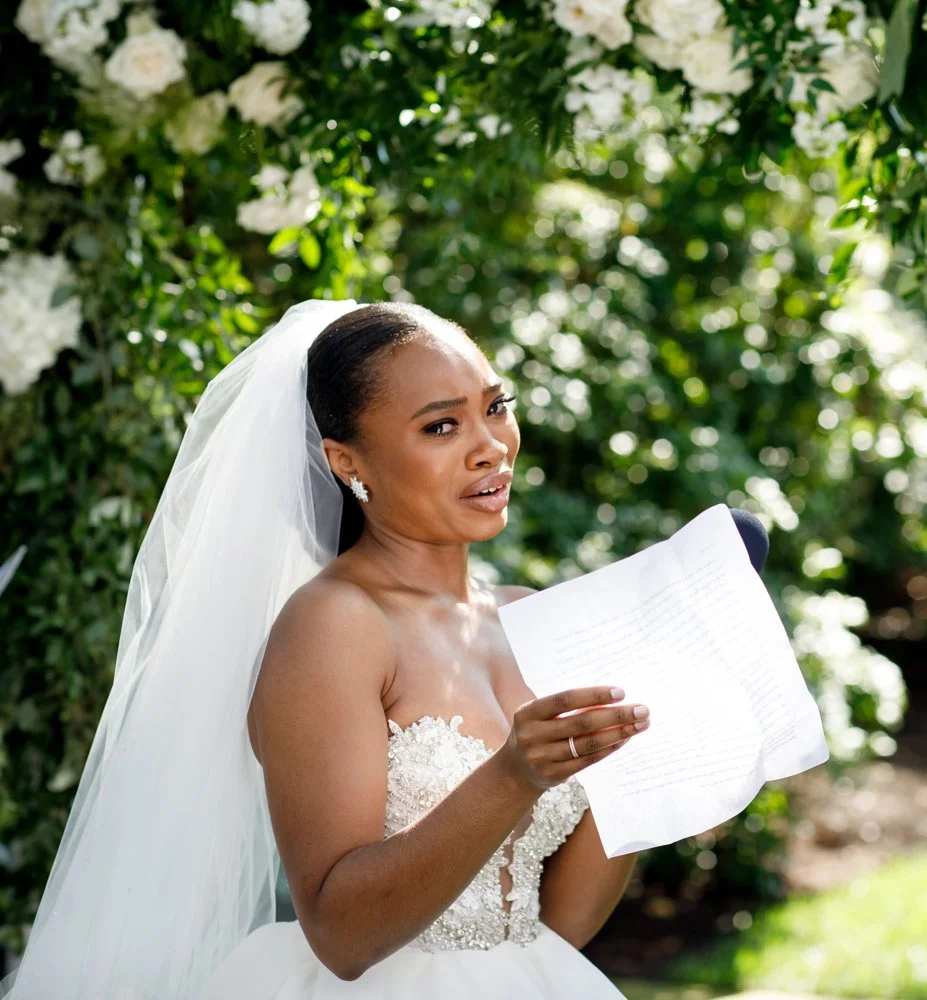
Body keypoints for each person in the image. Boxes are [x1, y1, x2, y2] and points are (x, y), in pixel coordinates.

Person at [4, 300, 644, 998]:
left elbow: (560, 926)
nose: (491, 444)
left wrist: (658, 767)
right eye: (441, 425)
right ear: (346, 461)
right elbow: (341, 936)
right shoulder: (334, 627)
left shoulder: (531, 618)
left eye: (497, 407)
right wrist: (512, 773)